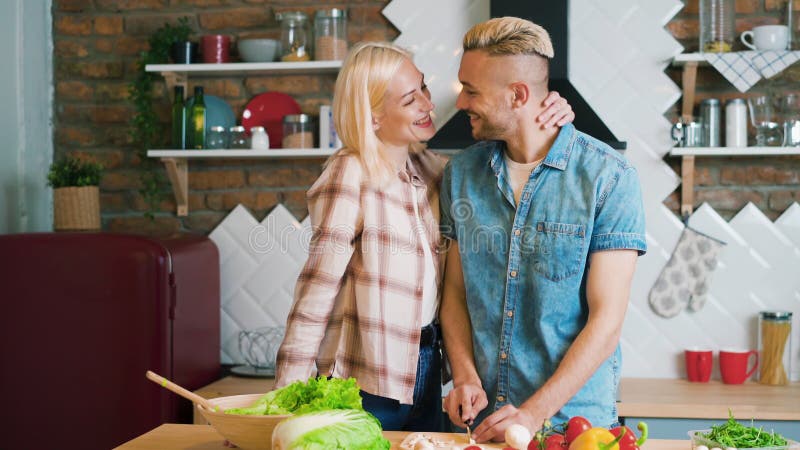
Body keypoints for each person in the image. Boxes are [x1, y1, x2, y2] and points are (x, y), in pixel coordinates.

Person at [273, 41, 575, 432]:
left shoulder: (436, 171)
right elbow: (315, 293)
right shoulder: (350, 173)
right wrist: (280, 403)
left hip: (429, 372)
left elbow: (506, 143)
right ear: (375, 117)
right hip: (364, 382)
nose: (428, 105)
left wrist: (544, 111)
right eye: (409, 99)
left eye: (424, 89)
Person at [439, 17, 647, 443]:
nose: (461, 103)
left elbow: (606, 321)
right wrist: (464, 377)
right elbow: (455, 294)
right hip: (483, 424)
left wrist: (532, 415)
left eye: (472, 90)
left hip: (575, 428)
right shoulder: (461, 174)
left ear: (518, 95)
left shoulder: (609, 177)